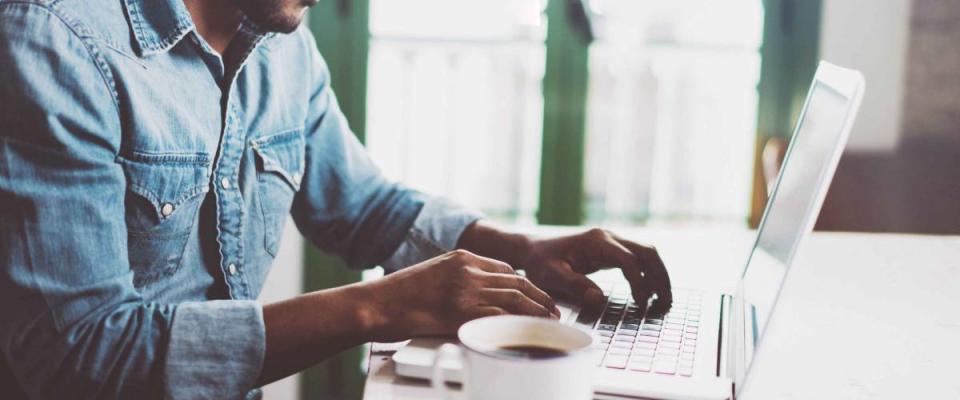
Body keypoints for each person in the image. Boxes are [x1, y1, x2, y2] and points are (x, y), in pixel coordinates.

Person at [0, 0, 672, 398]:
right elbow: (75, 354)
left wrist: (520, 247)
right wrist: (383, 305)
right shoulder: (52, 42)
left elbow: (364, 208)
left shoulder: (279, 41)